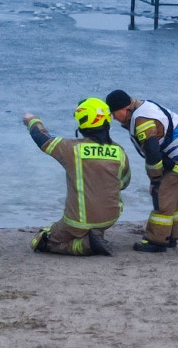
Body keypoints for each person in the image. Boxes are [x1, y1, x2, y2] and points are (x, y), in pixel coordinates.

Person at [22, 98, 131, 256]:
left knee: (40, 241)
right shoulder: (119, 152)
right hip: (110, 219)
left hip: (77, 221)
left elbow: (42, 139)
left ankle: (87, 245)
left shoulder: (71, 149)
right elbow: (124, 183)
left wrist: (32, 120)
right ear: (107, 121)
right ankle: (92, 235)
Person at [105, 89, 178, 253]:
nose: (114, 118)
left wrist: (155, 180)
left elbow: (152, 155)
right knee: (173, 192)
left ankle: (157, 241)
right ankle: (171, 237)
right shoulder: (140, 109)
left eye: (114, 113)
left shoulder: (142, 121)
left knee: (162, 193)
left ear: (124, 109)